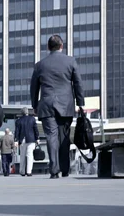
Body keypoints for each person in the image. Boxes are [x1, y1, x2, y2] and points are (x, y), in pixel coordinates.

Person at [31, 35, 84, 179]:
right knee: (64, 137)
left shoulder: (40, 65)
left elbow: (34, 88)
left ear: (48, 47)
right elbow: (78, 83)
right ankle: (65, 169)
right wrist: (80, 103)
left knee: (51, 137)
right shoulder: (70, 61)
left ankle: (54, 170)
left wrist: (35, 105)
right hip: (66, 105)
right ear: (62, 46)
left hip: (47, 105)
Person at [15, 107, 39, 177]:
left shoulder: (18, 121)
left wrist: (16, 140)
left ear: (22, 113)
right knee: (30, 155)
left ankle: (22, 171)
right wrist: (37, 138)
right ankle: (29, 171)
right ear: (27, 112)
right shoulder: (32, 119)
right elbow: (35, 129)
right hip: (31, 139)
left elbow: (17, 132)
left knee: (22, 155)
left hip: (22, 140)